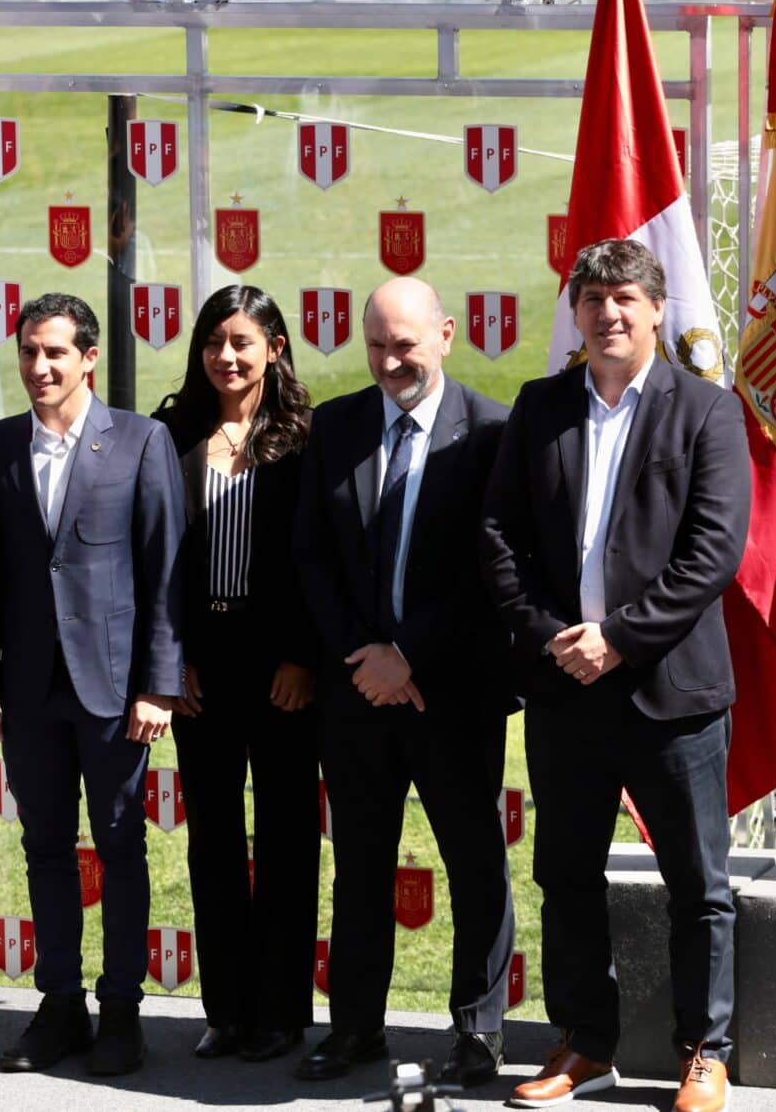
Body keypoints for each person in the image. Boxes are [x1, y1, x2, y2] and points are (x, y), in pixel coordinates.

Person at [480, 239, 749, 1112]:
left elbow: (713, 553)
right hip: (566, 689)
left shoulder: (705, 410)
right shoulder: (540, 406)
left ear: (657, 308)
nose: (608, 314)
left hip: (671, 695)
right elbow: (500, 537)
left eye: (625, 297)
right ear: (576, 312)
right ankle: (585, 1044)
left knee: (697, 885)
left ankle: (705, 1050)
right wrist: (553, 637)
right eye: (593, 299)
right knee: (566, 876)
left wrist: (620, 640)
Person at [292, 276, 515, 1086]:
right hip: (357, 694)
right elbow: (311, 554)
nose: (391, 362)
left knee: (474, 861)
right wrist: (365, 655)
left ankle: (479, 1031)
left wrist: (409, 655)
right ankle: (355, 1029)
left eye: (407, 345)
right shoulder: (336, 425)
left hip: (453, 694)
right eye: (377, 346)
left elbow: (491, 569)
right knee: (360, 864)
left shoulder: (491, 432)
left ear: (446, 335)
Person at [0, 293, 184, 1077]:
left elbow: (165, 573)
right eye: (28, 351)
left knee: (120, 846)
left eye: (55, 352)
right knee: (45, 847)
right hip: (28, 690)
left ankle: (121, 1011)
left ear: (89, 358)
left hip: (115, 692)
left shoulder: (142, 441)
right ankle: (59, 1006)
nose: (39, 366)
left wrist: (158, 685)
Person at [149, 285, 320, 1063]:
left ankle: (280, 1012)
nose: (226, 356)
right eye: (214, 342)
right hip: (200, 664)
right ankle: (227, 1009)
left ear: (274, 349)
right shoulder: (169, 434)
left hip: (282, 664)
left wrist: (303, 657)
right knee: (213, 840)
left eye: (243, 342)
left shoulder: (307, 438)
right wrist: (170, 658)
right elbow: (149, 557)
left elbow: (319, 558)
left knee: (287, 837)